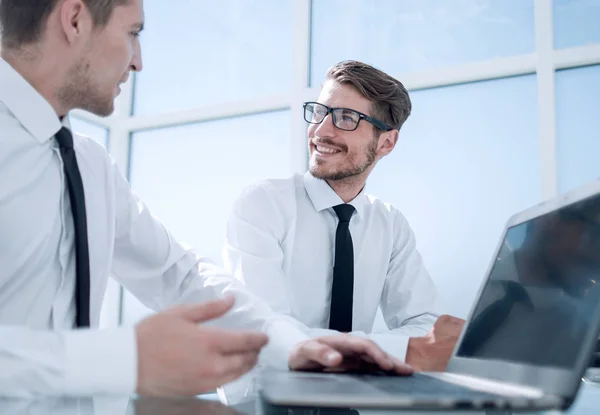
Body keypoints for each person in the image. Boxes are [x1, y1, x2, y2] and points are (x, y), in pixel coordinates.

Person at [0, 0, 411, 398]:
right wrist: (123, 359)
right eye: (132, 33)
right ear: (75, 20)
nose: (138, 60)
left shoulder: (89, 165)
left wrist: (294, 346)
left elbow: (179, 275)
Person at [223, 60, 465, 378]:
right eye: (320, 112)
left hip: (350, 401)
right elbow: (267, 333)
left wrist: (385, 349)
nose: (321, 131)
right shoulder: (263, 204)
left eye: (346, 118)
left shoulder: (390, 225)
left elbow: (426, 327)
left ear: (386, 143)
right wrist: (391, 350)